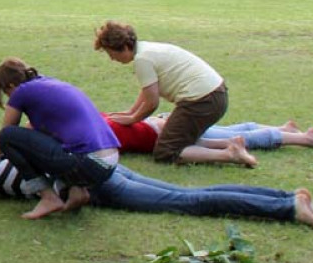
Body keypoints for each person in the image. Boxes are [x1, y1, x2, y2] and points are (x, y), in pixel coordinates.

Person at [0, 147, 313, 231]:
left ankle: (288, 209)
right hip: (106, 170)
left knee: (189, 202)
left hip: (103, 186)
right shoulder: (12, 161)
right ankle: (287, 198)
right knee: (187, 194)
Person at [0, 57, 121, 220]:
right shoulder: (48, 84)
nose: (8, 97)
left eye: (6, 93)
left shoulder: (22, 91)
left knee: (7, 136)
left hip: (88, 162)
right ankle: (76, 190)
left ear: (10, 86)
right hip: (110, 160)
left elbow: (7, 132)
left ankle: (48, 197)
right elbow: (35, 137)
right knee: (43, 144)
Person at [94, 20, 240, 166]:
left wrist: (133, 119)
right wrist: (130, 112)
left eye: (111, 53)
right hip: (213, 95)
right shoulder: (145, 50)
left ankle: (229, 154)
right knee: (175, 137)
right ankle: (228, 143)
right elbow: (148, 91)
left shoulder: (142, 59)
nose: (112, 59)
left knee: (166, 152)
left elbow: (152, 103)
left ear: (125, 47)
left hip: (203, 100)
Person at [105, 113, 313, 156]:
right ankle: (284, 130)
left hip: (164, 131)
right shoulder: (94, 119)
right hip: (160, 124)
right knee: (229, 130)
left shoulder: (94, 133)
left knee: (233, 138)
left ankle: (302, 138)